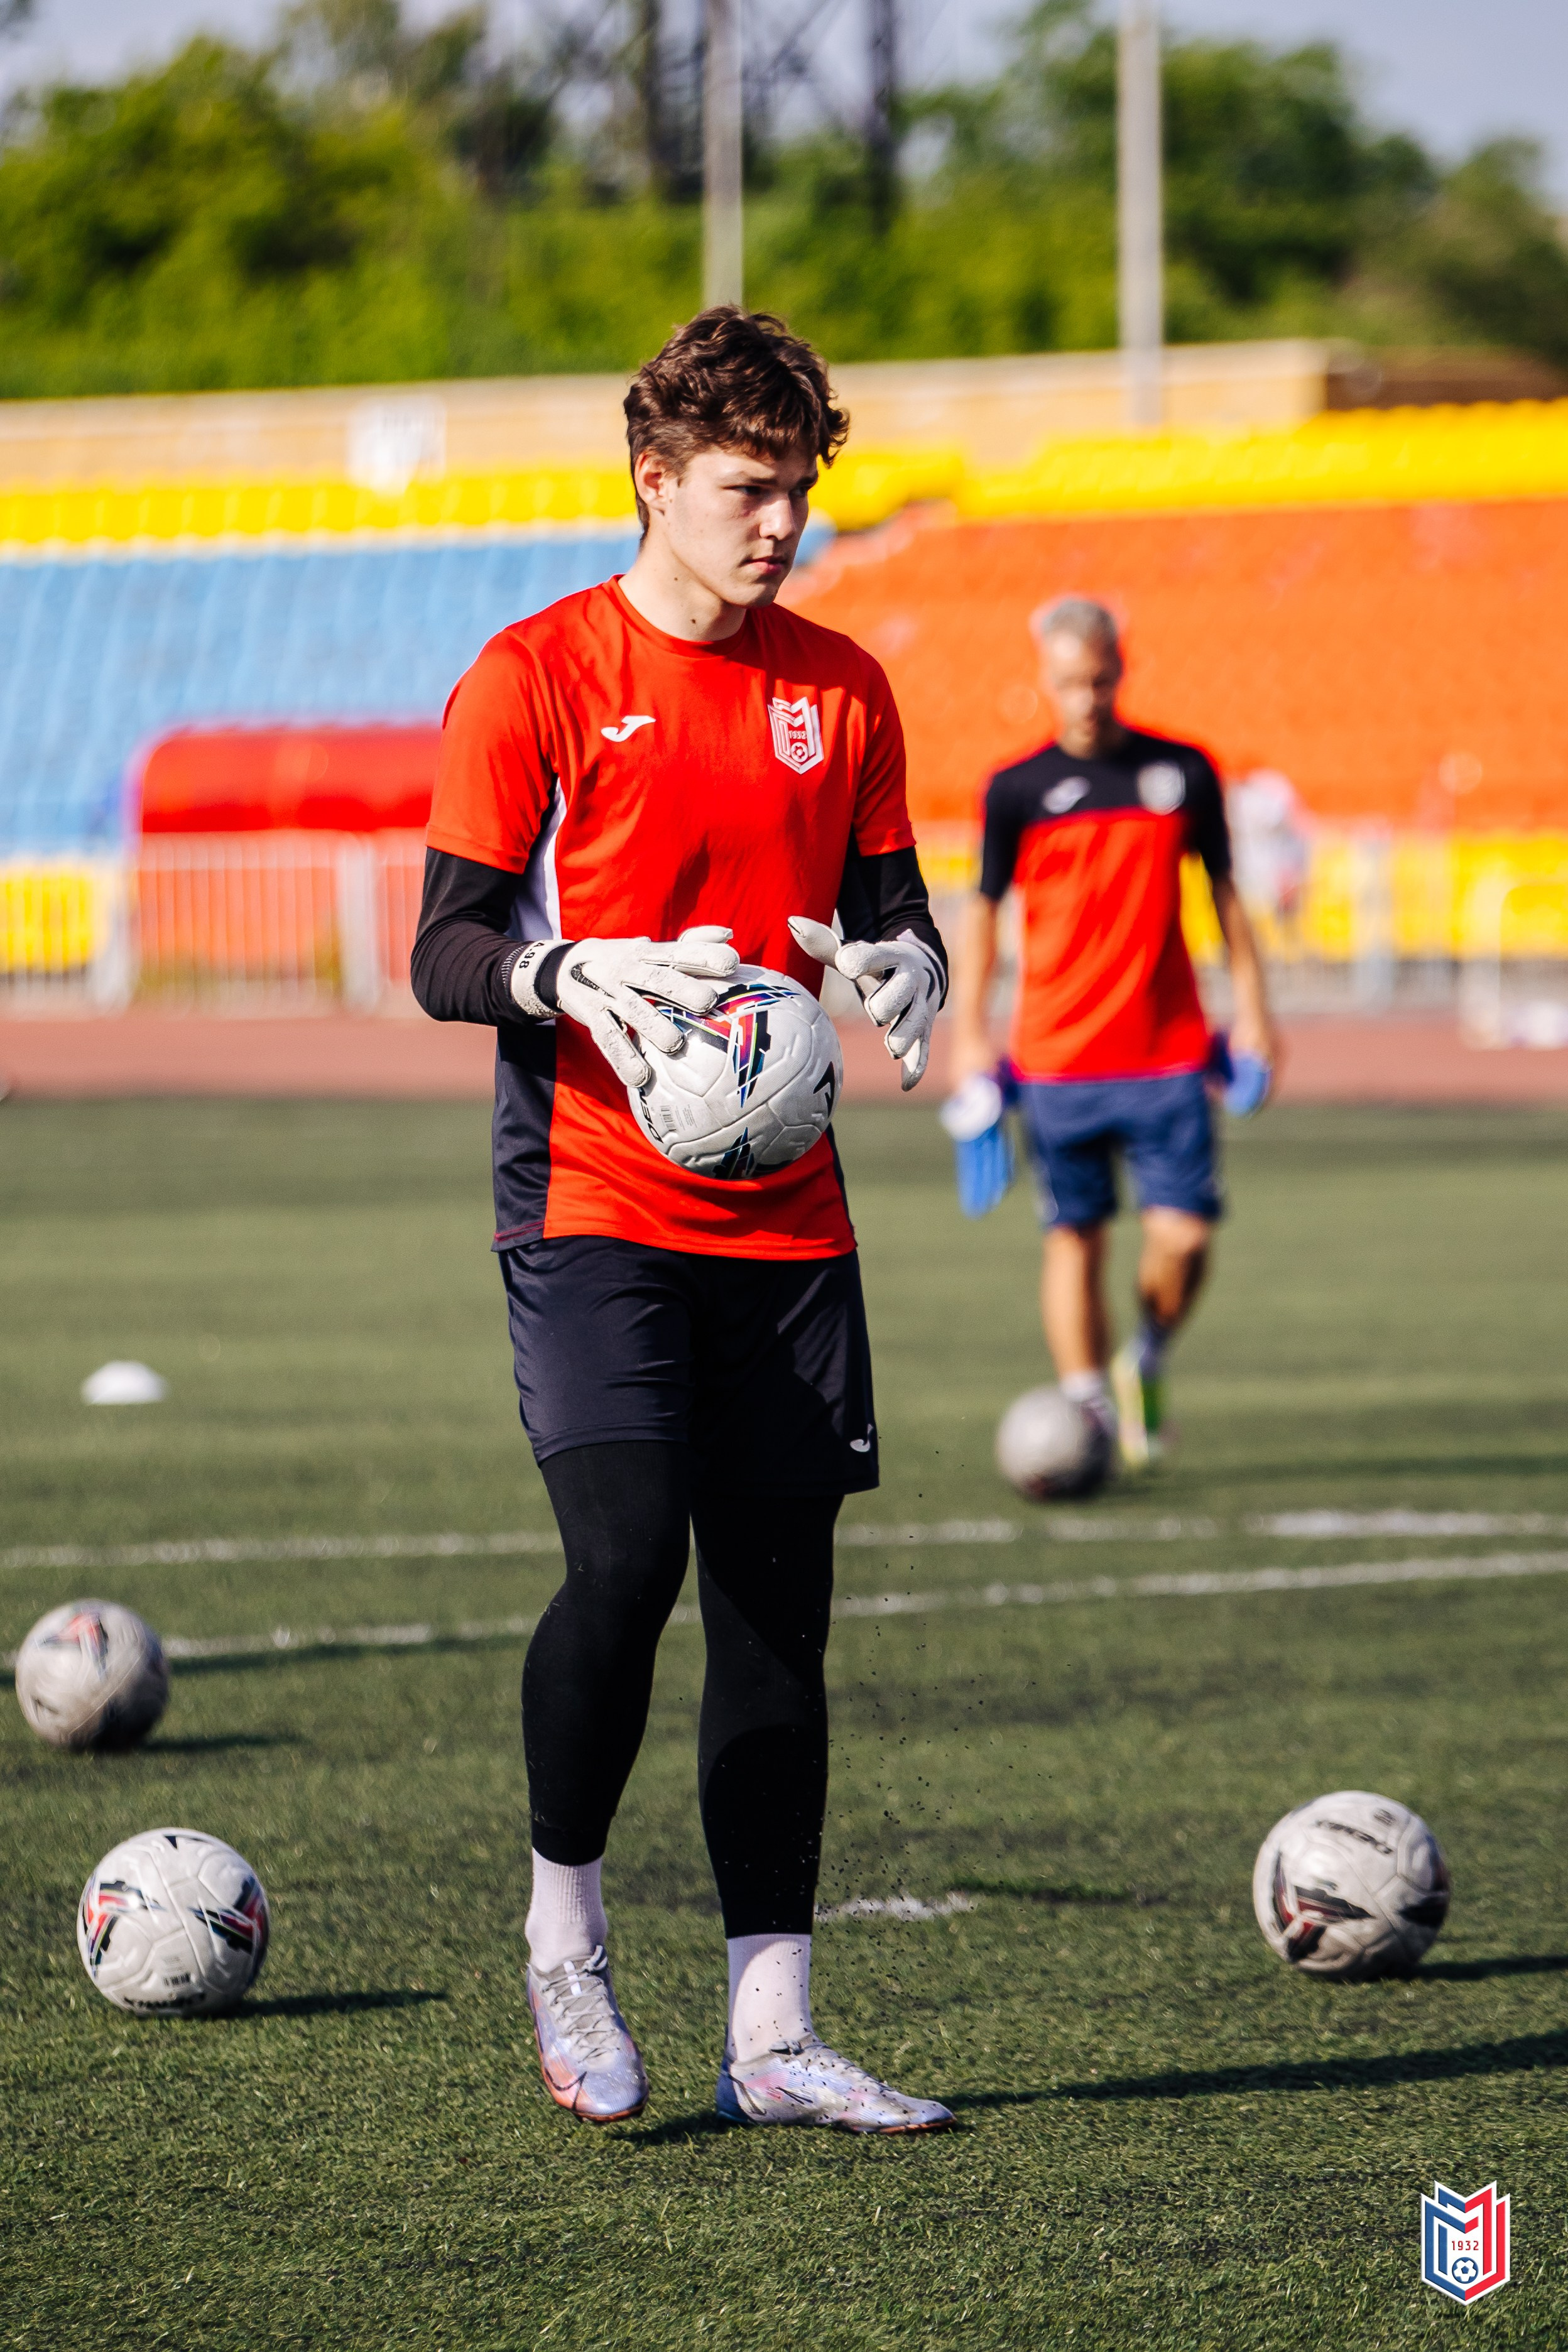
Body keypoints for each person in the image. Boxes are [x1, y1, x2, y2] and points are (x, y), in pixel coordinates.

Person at [410, 308, 952, 2135]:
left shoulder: (848, 688)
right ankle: (566, 1941)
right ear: (655, 479)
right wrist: (567, 971)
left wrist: (909, 967)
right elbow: (445, 951)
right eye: (747, 488)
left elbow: (895, 910)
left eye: (798, 490)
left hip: (790, 1216)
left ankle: (776, 2035)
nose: (779, 522)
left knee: (779, 1617)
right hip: (590, 1196)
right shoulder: (537, 674)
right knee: (628, 1558)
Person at [949, 597, 1276, 1468]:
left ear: (1121, 671)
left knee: (1187, 1237)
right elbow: (981, 917)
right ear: (1045, 683)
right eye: (1068, 683)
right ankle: (1089, 1407)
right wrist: (970, 1037)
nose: (1086, 698)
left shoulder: (1183, 772)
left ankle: (1149, 1356)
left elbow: (1227, 898)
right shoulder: (1014, 790)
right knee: (1075, 1236)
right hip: (1056, 1058)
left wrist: (1255, 1012)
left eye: (1098, 679)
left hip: (1167, 1050)